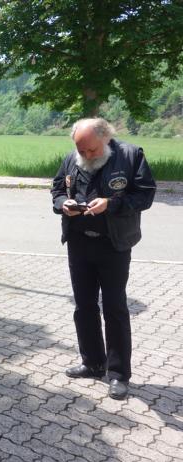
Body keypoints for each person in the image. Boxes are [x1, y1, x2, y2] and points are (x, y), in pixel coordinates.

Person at [51, 117, 156, 400]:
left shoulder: (131, 156)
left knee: (114, 308)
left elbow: (145, 196)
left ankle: (119, 374)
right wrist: (63, 204)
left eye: (91, 150)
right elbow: (57, 189)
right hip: (79, 243)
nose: (86, 155)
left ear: (106, 138)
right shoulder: (71, 159)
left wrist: (111, 204)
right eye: (81, 150)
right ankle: (92, 363)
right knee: (84, 305)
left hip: (114, 244)